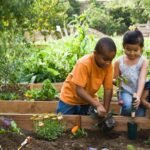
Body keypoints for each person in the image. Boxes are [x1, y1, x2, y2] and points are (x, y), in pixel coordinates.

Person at [57, 37, 116, 116]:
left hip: (88, 99)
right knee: (62, 121)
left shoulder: (108, 66)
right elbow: (79, 90)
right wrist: (97, 105)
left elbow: (108, 89)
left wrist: (105, 110)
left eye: (111, 60)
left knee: (89, 123)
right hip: (70, 97)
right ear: (95, 53)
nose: (108, 63)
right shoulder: (84, 63)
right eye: (105, 59)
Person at [113, 28, 149, 116]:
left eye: (135, 50)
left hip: (140, 91)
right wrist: (119, 94)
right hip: (126, 91)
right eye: (128, 50)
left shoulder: (143, 61)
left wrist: (138, 96)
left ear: (141, 48)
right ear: (123, 47)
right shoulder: (119, 62)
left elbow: (142, 79)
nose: (132, 53)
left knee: (139, 115)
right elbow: (115, 80)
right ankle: (123, 122)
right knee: (129, 106)